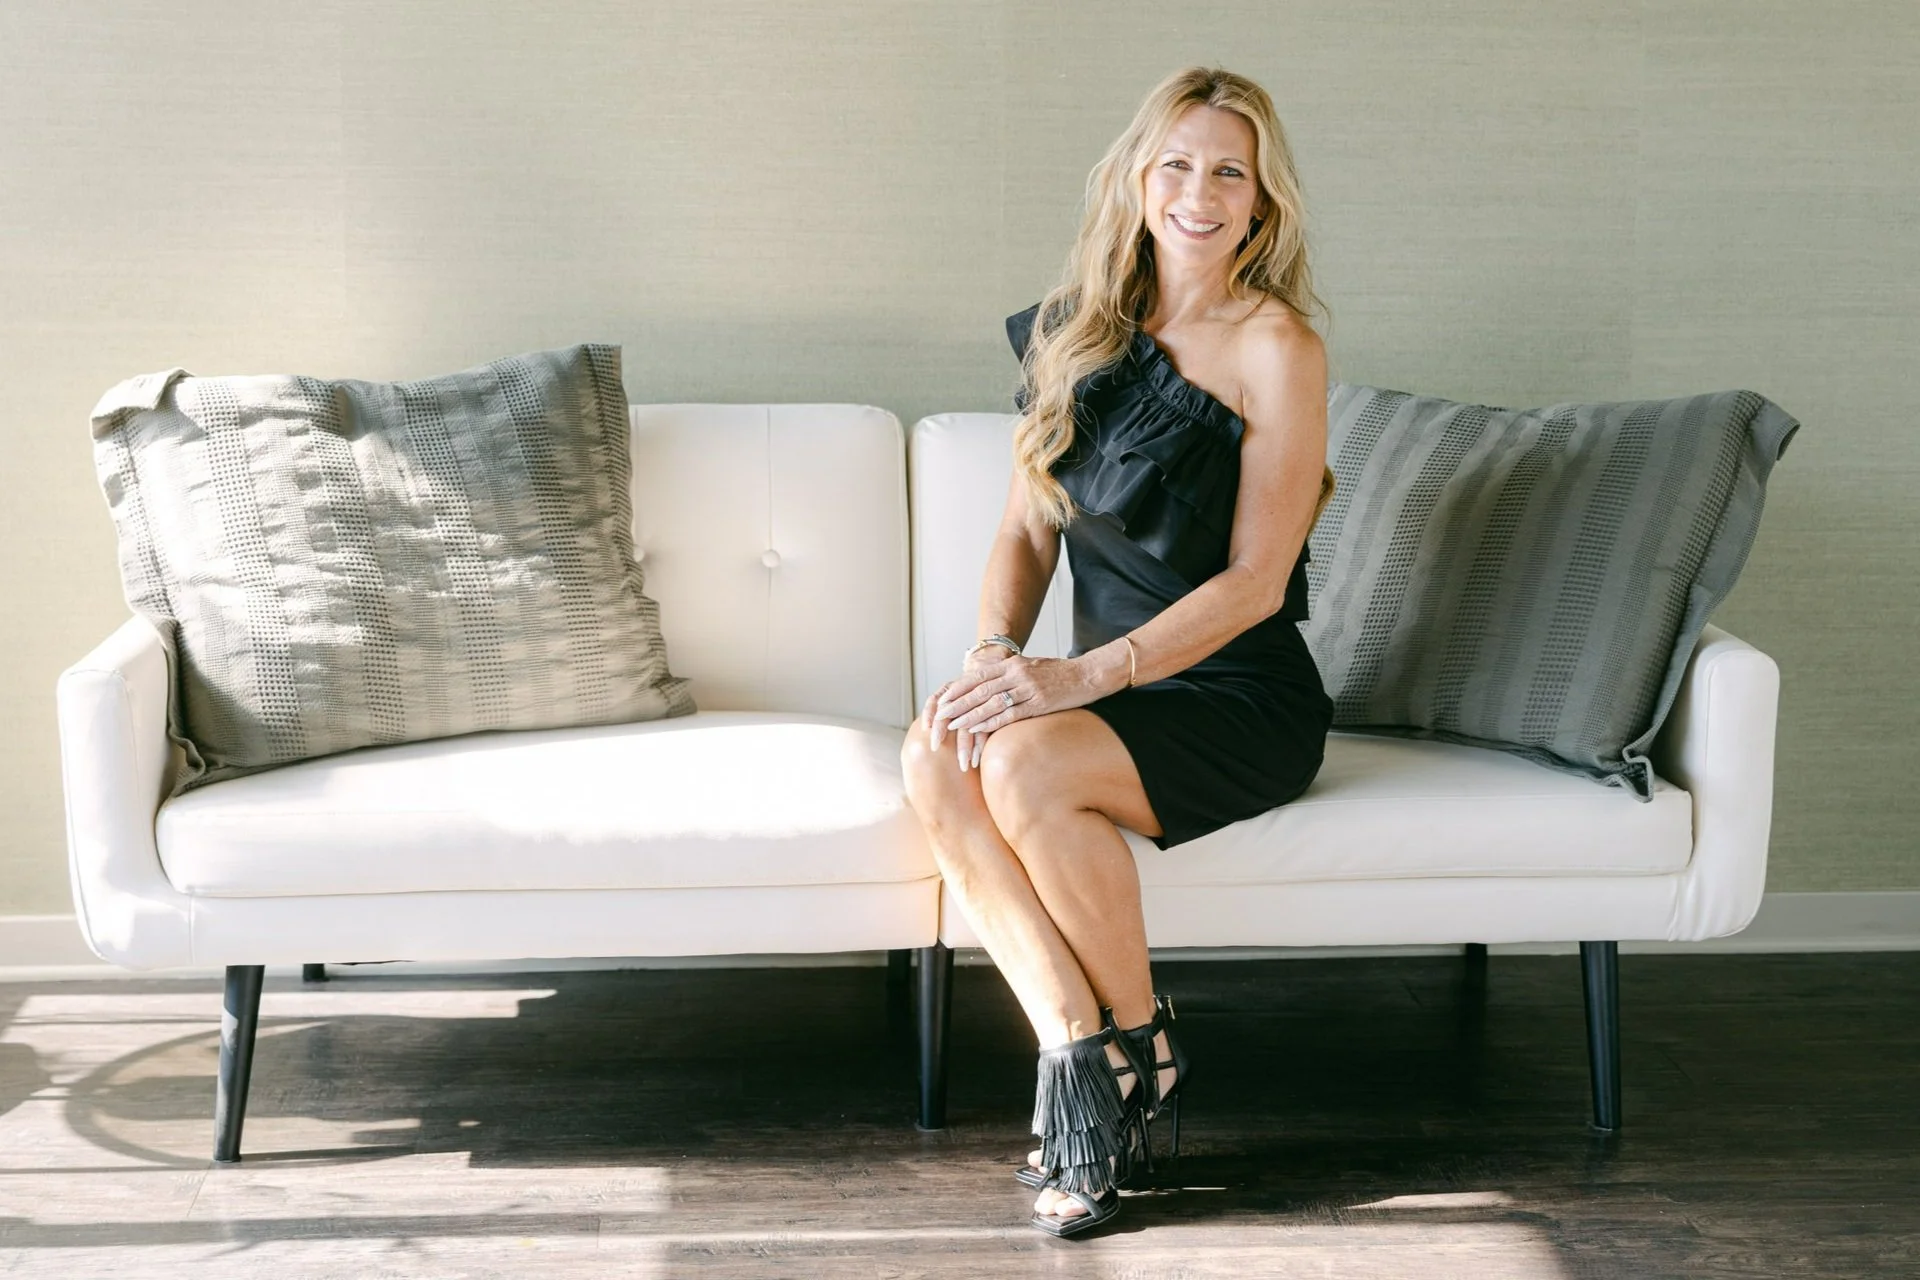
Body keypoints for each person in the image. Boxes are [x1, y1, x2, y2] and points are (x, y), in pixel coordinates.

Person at [898, 64, 1338, 1238]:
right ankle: (1089, 1052)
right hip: (1110, 695)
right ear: (1139, 178)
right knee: (936, 751)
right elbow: (1022, 527)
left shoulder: (1276, 346)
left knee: (1026, 765)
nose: (1200, 191)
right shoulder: (1072, 329)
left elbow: (1255, 581)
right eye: (1178, 163)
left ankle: (1130, 1057)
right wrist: (1000, 651)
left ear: (1262, 203)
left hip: (1235, 690)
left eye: (1229, 172)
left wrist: (1081, 675)